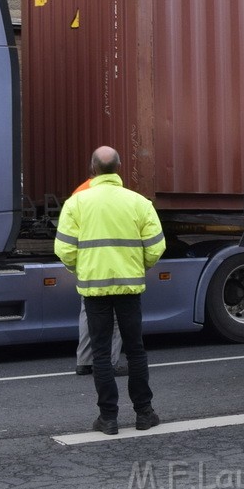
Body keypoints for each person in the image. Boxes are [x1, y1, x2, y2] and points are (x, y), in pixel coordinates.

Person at [55, 146, 166, 435]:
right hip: (129, 287)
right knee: (135, 350)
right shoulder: (139, 202)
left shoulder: (76, 203)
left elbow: (64, 249)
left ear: (92, 169)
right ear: (119, 169)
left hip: (94, 290)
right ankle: (144, 413)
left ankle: (108, 418)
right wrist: (138, 264)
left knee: (102, 354)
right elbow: (156, 246)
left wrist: (82, 268)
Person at [70, 175, 127, 377]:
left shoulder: (79, 193)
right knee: (115, 317)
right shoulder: (119, 195)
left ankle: (84, 362)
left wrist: (74, 265)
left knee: (88, 313)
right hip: (113, 265)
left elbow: (69, 237)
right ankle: (110, 363)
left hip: (88, 266)